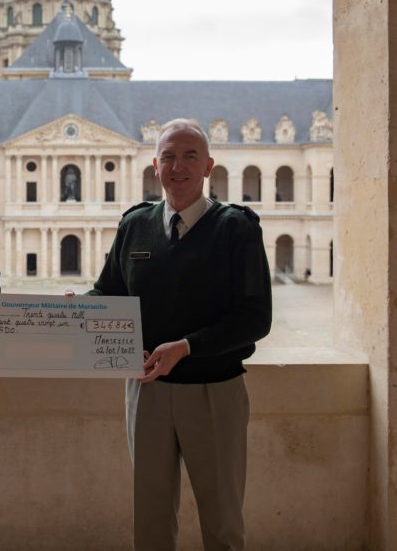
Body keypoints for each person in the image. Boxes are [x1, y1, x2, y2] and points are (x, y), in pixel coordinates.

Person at [84, 118, 271, 551]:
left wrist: (186, 348)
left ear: (208, 166)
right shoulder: (135, 225)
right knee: (149, 522)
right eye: (168, 156)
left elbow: (255, 318)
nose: (178, 166)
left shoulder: (236, 229)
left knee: (222, 521)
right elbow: (108, 293)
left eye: (189, 156)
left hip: (213, 391)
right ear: (155, 166)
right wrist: (77, 305)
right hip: (146, 390)